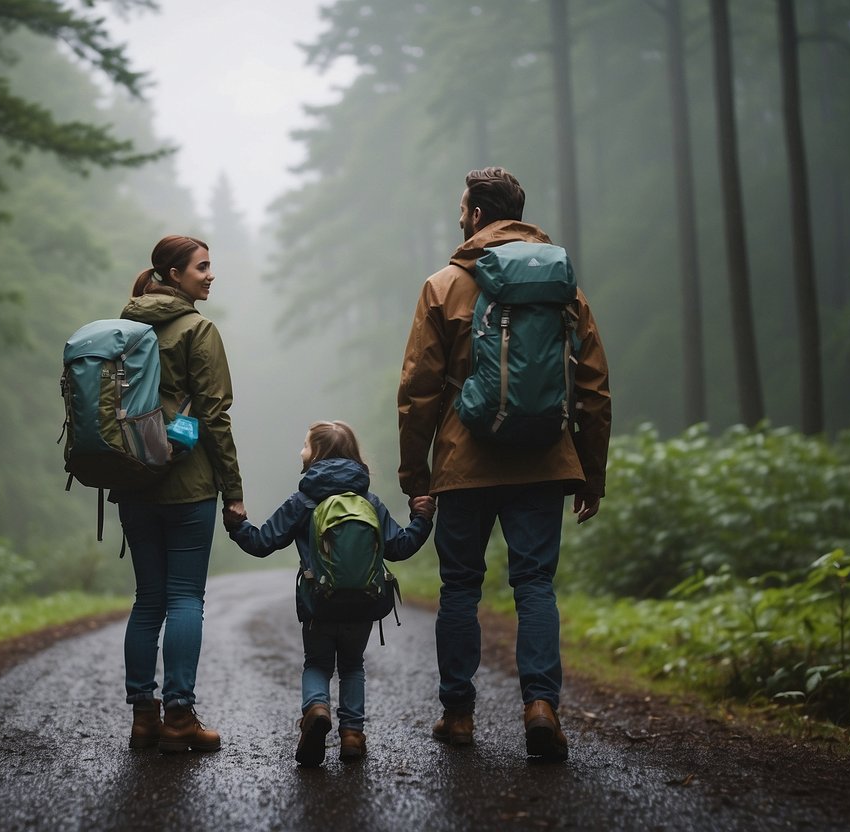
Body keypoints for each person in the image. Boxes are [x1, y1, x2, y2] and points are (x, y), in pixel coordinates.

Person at [397, 167, 611, 761]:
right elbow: (593, 384)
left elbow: (418, 389)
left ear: (475, 215)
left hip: (465, 462)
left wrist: (416, 474)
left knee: (459, 587)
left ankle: (459, 717)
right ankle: (541, 707)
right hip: (545, 458)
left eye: (462, 208)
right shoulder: (563, 284)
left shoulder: (443, 285)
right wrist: (591, 469)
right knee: (535, 585)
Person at [224, 420, 435, 767]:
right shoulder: (369, 501)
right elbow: (399, 547)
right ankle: (352, 735)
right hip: (364, 603)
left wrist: (236, 524)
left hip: (318, 605)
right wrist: (422, 518)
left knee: (318, 663)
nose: (301, 451)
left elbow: (262, 543)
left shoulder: (303, 501)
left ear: (317, 454)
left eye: (305, 445)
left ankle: (317, 708)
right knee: (352, 665)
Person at [119, 235, 245, 754]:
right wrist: (233, 491)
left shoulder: (124, 328)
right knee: (184, 598)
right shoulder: (197, 330)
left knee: (147, 601)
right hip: (188, 485)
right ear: (173, 275)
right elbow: (214, 416)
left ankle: (143, 718)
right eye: (202, 268)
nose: (210, 276)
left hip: (132, 481)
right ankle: (179, 718)